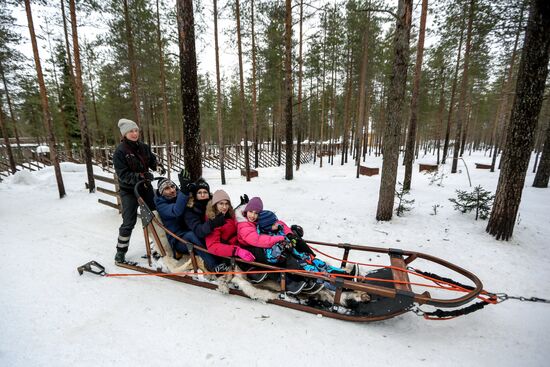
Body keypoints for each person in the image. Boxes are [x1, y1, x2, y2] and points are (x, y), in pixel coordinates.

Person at [236, 197, 315, 295]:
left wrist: (289, 234)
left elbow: (279, 223)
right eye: (251, 211)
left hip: (260, 246)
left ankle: (304, 273)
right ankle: (291, 280)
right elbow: (256, 240)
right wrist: (279, 238)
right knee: (278, 255)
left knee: (287, 249)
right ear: (246, 210)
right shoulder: (243, 224)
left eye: (256, 213)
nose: (253, 215)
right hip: (250, 249)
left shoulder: (256, 220)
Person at [113, 118, 157, 264]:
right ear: (124, 134)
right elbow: (123, 175)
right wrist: (141, 175)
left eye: (136, 130)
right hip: (129, 191)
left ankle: (158, 245)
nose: (134, 133)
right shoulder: (120, 152)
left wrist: (157, 165)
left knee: (155, 216)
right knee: (129, 222)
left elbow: (151, 160)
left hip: (145, 188)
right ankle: (120, 252)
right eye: (131, 131)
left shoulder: (144, 147)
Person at [154, 176, 219, 271]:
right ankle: (214, 266)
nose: (172, 190)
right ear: (161, 192)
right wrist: (185, 191)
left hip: (190, 228)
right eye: (167, 189)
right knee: (192, 236)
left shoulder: (178, 195)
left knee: (206, 232)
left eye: (172, 186)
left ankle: (221, 257)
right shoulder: (162, 205)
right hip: (178, 239)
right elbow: (177, 210)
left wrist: (192, 188)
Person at [183, 178, 227, 272]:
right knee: (193, 236)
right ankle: (214, 265)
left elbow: (227, 214)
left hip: (209, 235)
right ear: (195, 194)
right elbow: (198, 231)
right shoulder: (190, 210)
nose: (203, 195)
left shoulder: (213, 204)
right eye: (199, 192)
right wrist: (213, 223)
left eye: (205, 192)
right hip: (192, 238)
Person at [204, 190, 256, 262]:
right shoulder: (213, 221)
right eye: (221, 204)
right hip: (230, 253)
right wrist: (236, 251)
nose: (224, 207)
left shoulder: (230, 214)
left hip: (242, 243)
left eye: (226, 204)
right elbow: (213, 246)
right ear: (215, 205)